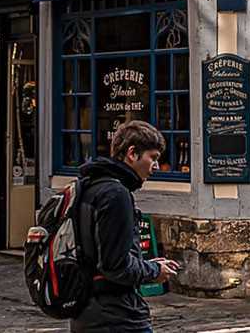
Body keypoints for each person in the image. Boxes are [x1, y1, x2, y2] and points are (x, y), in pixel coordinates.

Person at [72, 120, 180, 333]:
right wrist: (153, 271)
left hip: (87, 311)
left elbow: (101, 255)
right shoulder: (116, 194)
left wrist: (144, 264)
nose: (156, 166)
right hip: (117, 316)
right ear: (132, 153)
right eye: (153, 157)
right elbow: (115, 266)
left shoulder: (90, 187)